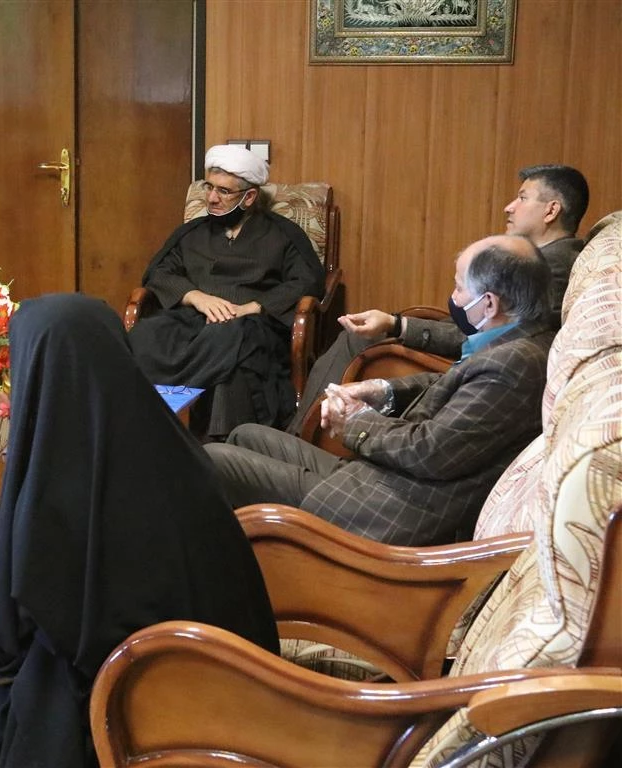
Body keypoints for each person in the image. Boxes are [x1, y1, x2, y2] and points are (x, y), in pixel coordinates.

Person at [0, 294, 279, 768]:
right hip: (234, 693)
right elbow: (84, 566)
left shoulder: (61, 472)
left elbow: (17, 625)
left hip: (138, 715)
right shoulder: (169, 447)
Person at [205, 234, 554, 546]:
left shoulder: (512, 366)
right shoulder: (515, 340)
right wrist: (381, 389)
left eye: (459, 288)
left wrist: (355, 421)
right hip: (382, 480)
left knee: (212, 460)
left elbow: (428, 450)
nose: (454, 297)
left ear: (489, 304)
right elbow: (448, 383)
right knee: (245, 434)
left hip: (385, 511)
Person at [289, 164, 589, 433]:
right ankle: (301, 431)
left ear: (551, 210)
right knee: (360, 334)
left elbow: (491, 338)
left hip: (472, 373)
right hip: (470, 357)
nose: (509, 207)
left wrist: (397, 326)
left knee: (355, 340)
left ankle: (305, 434)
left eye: (522, 198)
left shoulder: (553, 269)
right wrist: (397, 323)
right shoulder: (541, 256)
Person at [129, 145, 326, 438]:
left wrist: (254, 306)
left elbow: (307, 281)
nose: (211, 198)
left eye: (223, 191)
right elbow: (158, 273)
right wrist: (197, 297)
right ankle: (144, 427)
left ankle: (216, 448)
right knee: (145, 335)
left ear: (249, 197)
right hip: (193, 320)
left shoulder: (282, 234)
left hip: (252, 325)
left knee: (233, 348)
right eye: (209, 188)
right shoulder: (192, 232)